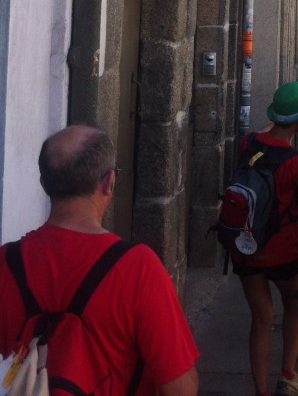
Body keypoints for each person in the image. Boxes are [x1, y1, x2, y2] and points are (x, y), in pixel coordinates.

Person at [0, 125, 199, 396]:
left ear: (44, 183)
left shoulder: (6, 262)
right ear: (108, 183)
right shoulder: (138, 269)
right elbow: (180, 388)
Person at [232, 81, 298, 396]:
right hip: (283, 248)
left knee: (261, 318)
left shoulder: (248, 143)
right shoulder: (296, 163)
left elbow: (266, 132)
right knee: (295, 303)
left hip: (247, 246)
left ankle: (261, 390)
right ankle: (287, 376)